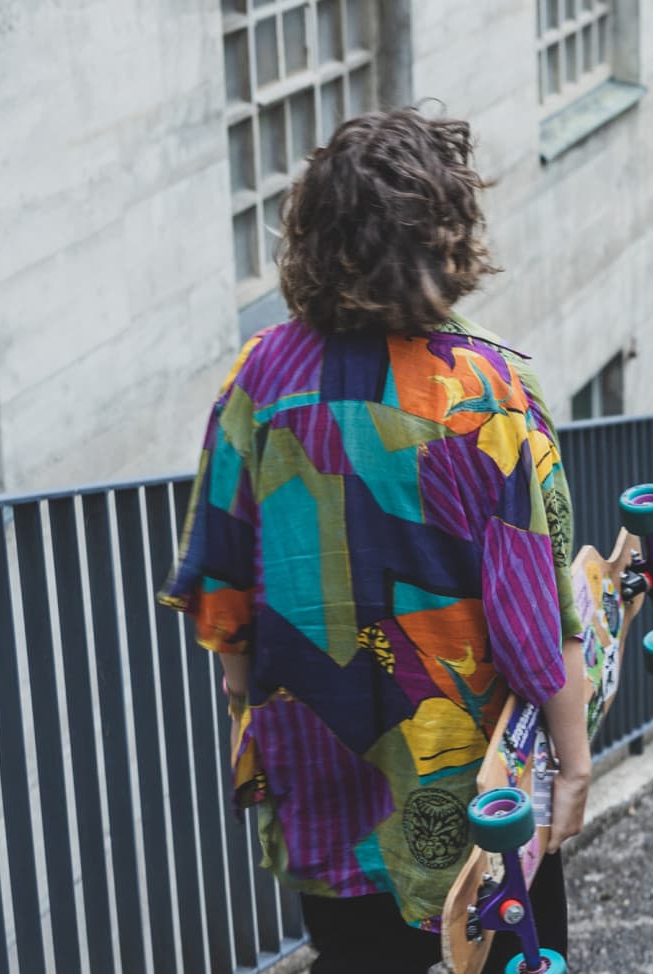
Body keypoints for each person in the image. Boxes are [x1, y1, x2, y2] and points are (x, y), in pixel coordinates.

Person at [160, 108, 589, 973]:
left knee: (355, 961)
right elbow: (537, 624)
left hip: (319, 759)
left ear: (312, 236)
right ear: (445, 237)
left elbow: (223, 589)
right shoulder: (490, 391)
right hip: (476, 780)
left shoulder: (259, 378)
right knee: (509, 954)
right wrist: (571, 763)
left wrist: (248, 705)